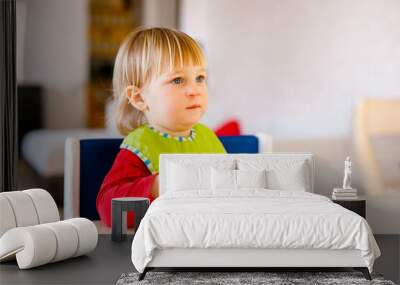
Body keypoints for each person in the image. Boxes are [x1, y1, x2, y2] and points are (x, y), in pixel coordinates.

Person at [96, 27, 227, 227]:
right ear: (139, 98)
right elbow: (108, 209)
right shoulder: (140, 145)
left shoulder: (208, 137)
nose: (194, 90)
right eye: (177, 80)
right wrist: (156, 186)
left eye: (200, 78)